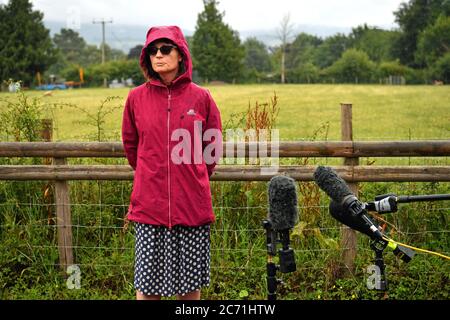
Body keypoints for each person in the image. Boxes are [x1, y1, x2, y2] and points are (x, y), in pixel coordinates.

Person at [121, 26, 222, 300]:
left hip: (191, 206)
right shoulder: (135, 99)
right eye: (152, 50)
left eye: (165, 49)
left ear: (181, 55)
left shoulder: (201, 98)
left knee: (189, 289)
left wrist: (192, 175)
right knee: (148, 288)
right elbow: (131, 147)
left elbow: (211, 149)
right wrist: (151, 171)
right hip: (149, 207)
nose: (159, 55)